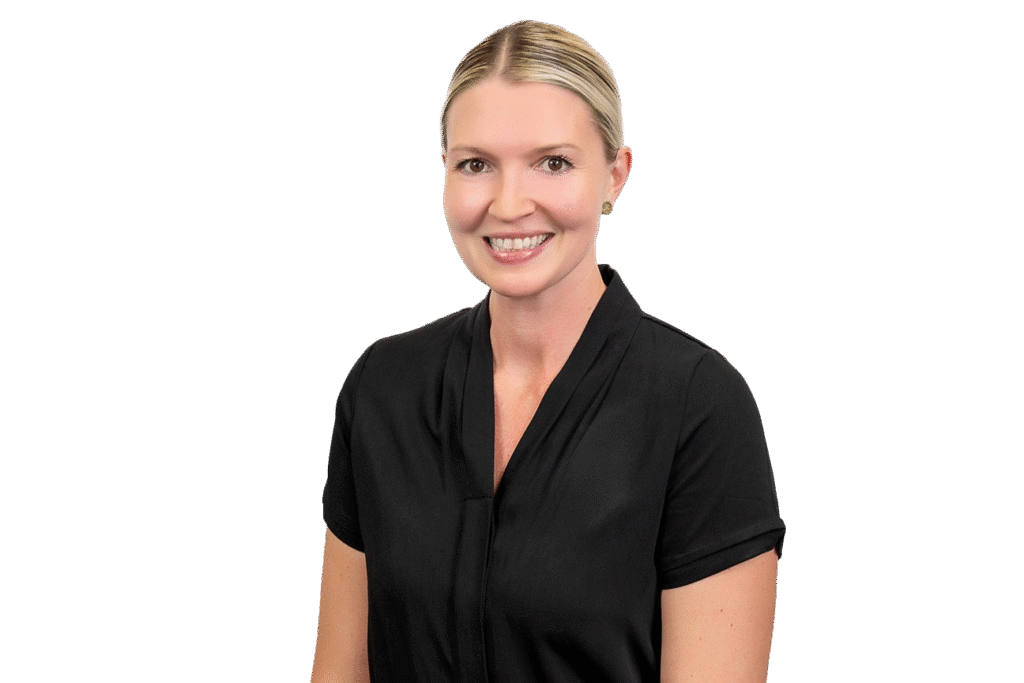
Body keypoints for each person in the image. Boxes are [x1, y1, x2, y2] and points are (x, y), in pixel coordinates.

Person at [311, 20, 785, 683]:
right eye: (476, 164)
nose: (509, 204)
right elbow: (340, 671)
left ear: (615, 175)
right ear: (444, 174)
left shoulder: (698, 407)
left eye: (553, 162)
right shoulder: (382, 389)